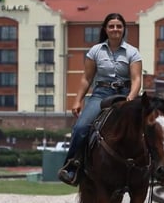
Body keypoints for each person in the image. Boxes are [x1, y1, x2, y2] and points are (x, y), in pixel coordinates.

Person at [57, 12, 142, 185]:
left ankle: (158, 168)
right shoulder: (95, 51)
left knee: (150, 126)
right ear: (105, 29)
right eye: (111, 26)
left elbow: (136, 79)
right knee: (81, 127)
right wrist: (77, 100)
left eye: (119, 26)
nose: (115, 29)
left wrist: (131, 97)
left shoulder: (133, 52)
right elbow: (86, 78)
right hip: (101, 94)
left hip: (126, 94)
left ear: (124, 29)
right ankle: (72, 166)